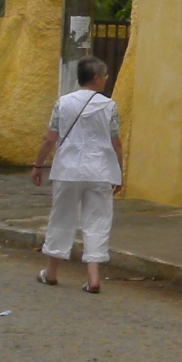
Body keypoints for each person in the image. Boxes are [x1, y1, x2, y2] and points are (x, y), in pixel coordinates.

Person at [32, 57, 124, 293]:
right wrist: (119, 172)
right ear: (96, 78)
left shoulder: (63, 103)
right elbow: (116, 143)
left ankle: (51, 272)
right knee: (97, 222)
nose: (106, 79)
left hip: (68, 170)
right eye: (104, 75)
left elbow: (49, 138)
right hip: (100, 171)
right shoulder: (109, 106)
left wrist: (37, 165)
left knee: (61, 218)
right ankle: (93, 278)